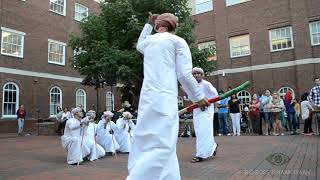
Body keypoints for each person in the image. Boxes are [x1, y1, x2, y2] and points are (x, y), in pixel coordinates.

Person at [127, 13, 209, 180]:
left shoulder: (149, 42)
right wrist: (198, 97)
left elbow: (139, 45)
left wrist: (148, 24)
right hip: (165, 98)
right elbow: (184, 75)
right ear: (174, 27)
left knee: (145, 139)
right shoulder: (178, 41)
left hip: (147, 99)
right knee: (164, 144)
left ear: (158, 27)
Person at [190, 67, 218, 163]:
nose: (196, 75)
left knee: (204, 131)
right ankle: (213, 146)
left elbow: (216, 95)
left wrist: (210, 102)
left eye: (198, 73)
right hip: (196, 110)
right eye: (194, 73)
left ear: (202, 75)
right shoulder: (192, 86)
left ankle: (200, 155)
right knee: (199, 132)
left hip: (207, 110)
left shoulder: (206, 84)